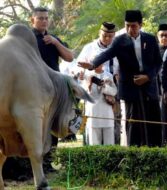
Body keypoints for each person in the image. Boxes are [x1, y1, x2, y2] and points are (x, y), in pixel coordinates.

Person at [78, 10, 163, 147]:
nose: (130, 29)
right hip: (130, 87)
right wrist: (93, 64)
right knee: (133, 123)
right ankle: (134, 154)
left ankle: (156, 153)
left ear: (140, 25)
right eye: (127, 25)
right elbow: (106, 54)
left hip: (149, 86)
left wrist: (147, 77)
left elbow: (158, 63)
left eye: (133, 26)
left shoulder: (150, 39)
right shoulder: (120, 41)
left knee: (153, 122)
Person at [31, 7, 74, 172]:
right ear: (32, 20)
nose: (43, 21)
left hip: (54, 87)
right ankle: (34, 164)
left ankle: (48, 163)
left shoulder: (53, 38)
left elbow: (70, 57)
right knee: (37, 125)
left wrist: (56, 42)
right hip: (34, 87)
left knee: (52, 125)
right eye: (40, 18)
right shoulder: (28, 39)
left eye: (46, 18)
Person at [76, 22, 120, 144]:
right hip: (92, 93)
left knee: (112, 127)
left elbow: (119, 68)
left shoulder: (117, 49)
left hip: (111, 91)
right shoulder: (89, 48)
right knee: (92, 126)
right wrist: (81, 72)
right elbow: (78, 66)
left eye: (111, 36)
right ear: (99, 33)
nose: (107, 39)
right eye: (105, 35)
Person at [79, 64, 117, 145]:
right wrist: (88, 85)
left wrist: (103, 86)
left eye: (99, 62)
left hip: (107, 112)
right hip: (93, 113)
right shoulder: (87, 76)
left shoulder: (108, 75)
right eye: (94, 63)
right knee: (94, 143)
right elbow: (82, 94)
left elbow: (114, 92)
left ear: (103, 63)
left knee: (109, 144)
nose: (96, 65)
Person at [156, 23, 167, 145]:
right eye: (161, 35)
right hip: (155, 90)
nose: (164, 38)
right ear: (158, 36)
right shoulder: (153, 50)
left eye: (166, 35)